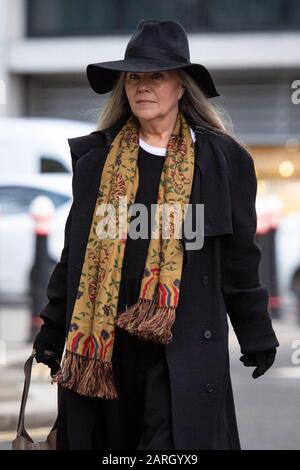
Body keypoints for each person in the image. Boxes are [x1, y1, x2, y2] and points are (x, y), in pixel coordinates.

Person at [33, 19, 279, 450]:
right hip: (105, 345)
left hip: (183, 346)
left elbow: (240, 256)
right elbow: (74, 256)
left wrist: (255, 331)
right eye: (135, 77)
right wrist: (52, 331)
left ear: (182, 86)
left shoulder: (221, 160)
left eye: (157, 76)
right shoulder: (97, 160)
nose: (143, 86)